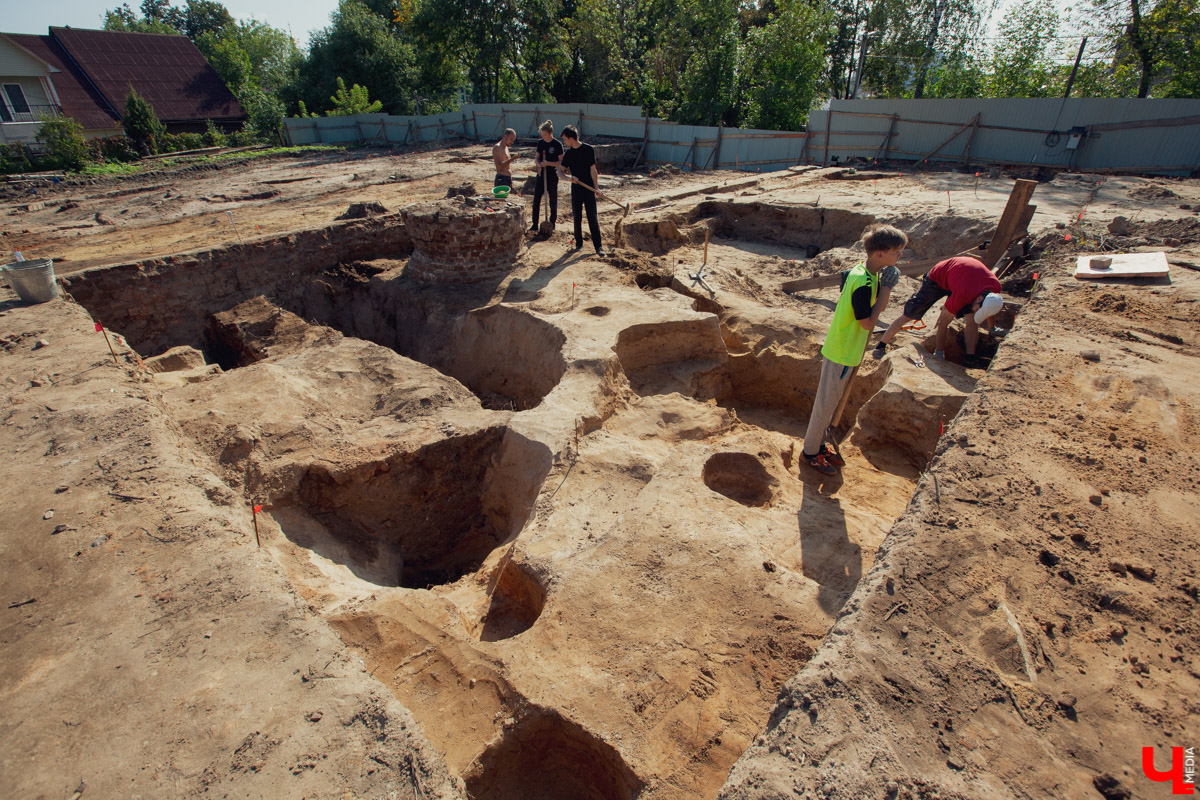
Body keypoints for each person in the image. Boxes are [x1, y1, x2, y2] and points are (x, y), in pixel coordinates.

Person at [802, 225, 908, 475]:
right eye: (897, 252)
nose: (900, 257)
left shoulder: (866, 273)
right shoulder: (863, 282)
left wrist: (881, 285)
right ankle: (810, 452)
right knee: (825, 406)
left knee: (832, 403)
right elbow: (869, 322)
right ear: (880, 255)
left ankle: (818, 444)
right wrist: (887, 289)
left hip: (848, 349)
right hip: (842, 351)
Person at [871, 255, 1003, 368]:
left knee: (972, 319)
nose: (976, 310)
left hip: (960, 278)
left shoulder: (995, 289)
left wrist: (992, 328)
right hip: (937, 278)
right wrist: (939, 353)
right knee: (909, 315)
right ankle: (881, 346)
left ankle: (970, 358)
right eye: (978, 308)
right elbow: (943, 323)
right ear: (979, 298)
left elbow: (990, 310)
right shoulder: (964, 294)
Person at [557, 125, 606, 257]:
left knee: (592, 217)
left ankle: (598, 246)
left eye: (565, 139)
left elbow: (593, 170)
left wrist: (596, 188)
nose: (564, 142)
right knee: (577, 217)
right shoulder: (569, 153)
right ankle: (579, 244)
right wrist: (569, 179)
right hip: (576, 188)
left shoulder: (588, 149)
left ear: (571, 138)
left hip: (588, 188)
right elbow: (559, 172)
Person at [530, 120, 564, 232]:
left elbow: (561, 163)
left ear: (550, 133)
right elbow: (537, 157)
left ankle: (552, 224)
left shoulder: (557, 145)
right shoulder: (541, 143)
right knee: (536, 200)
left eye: (545, 135)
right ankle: (534, 224)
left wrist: (548, 163)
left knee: (552, 201)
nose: (543, 137)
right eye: (542, 135)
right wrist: (539, 164)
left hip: (552, 176)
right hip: (541, 175)